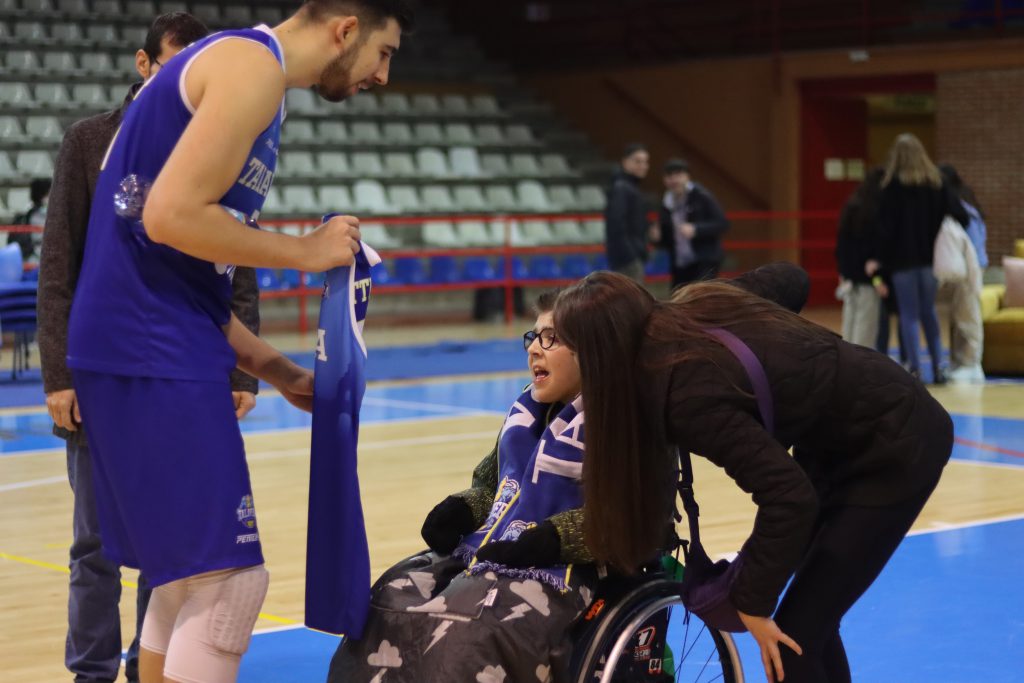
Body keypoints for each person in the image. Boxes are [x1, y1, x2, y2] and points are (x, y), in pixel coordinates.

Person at [63, 2, 414, 681]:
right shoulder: (249, 67)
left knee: (189, 577)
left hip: (147, 336)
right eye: (384, 51)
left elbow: (184, 269)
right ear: (345, 29)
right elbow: (169, 217)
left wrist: (274, 367)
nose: (384, 75)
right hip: (146, 344)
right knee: (230, 584)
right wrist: (303, 250)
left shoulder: (259, 85)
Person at [553, 265, 953, 683]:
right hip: (840, 440)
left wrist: (751, 602)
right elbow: (794, 279)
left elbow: (789, 498)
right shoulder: (695, 306)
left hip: (897, 446)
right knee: (810, 621)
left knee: (791, 642)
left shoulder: (684, 395)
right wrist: (783, 361)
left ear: (602, 354)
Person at [37, 15, 217, 683]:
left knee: (164, 544)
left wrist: (240, 370)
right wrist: (58, 374)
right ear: (144, 63)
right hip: (97, 367)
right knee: (94, 546)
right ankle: (89, 672)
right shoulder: (88, 141)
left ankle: (151, 670)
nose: (188, 82)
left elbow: (233, 253)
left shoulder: (214, 142)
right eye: (174, 65)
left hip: (177, 370)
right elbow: (58, 263)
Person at [327, 290, 600, 683]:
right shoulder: (527, 412)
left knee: (459, 630)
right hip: (495, 551)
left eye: (551, 338)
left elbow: (625, 520)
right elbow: (490, 487)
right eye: (533, 337)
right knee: (388, 599)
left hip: (561, 569)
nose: (534, 350)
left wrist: (551, 538)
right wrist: (461, 508)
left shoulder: (614, 420)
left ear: (591, 349)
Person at [870, 133, 968, 384]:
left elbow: (883, 230)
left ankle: (914, 368)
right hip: (930, 261)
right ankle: (939, 367)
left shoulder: (890, 188)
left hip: (902, 263)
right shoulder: (937, 183)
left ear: (897, 157)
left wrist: (879, 260)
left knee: (909, 315)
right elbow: (961, 215)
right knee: (930, 313)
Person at [938, 163, 987, 383]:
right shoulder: (957, 204)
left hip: (972, 267)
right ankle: (959, 362)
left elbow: (974, 245)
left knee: (968, 316)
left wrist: (970, 270)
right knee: (957, 317)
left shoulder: (964, 209)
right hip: (964, 268)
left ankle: (972, 364)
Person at [657, 158, 729, 289]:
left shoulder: (701, 195)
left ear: (687, 177)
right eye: (670, 176)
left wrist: (696, 229)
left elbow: (722, 223)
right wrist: (657, 236)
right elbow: (667, 237)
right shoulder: (666, 202)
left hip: (704, 260)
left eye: (678, 175)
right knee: (677, 300)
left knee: (701, 300)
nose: (674, 180)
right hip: (680, 262)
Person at [834, 167, 885, 348]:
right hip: (866, 278)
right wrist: (878, 279)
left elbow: (841, 244)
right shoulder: (875, 212)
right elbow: (873, 252)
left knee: (850, 320)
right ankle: (860, 367)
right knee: (866, 326)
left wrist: (842, 271)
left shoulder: (851, 206)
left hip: (849, 275)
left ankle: (847, 361)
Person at [604, 143, 651, 283]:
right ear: (625, 162)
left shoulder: (629, 187)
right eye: (637, 161)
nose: (643, 166)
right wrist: (631, 256)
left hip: (630, 256)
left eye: (645, 162)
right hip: (627, 260)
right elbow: (616, 224)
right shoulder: (622, 187)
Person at [8, 177, 51, 263]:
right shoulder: (39, 214)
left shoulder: (30, 210)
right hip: (36, 261)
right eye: (49, 193)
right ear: (43, 195)